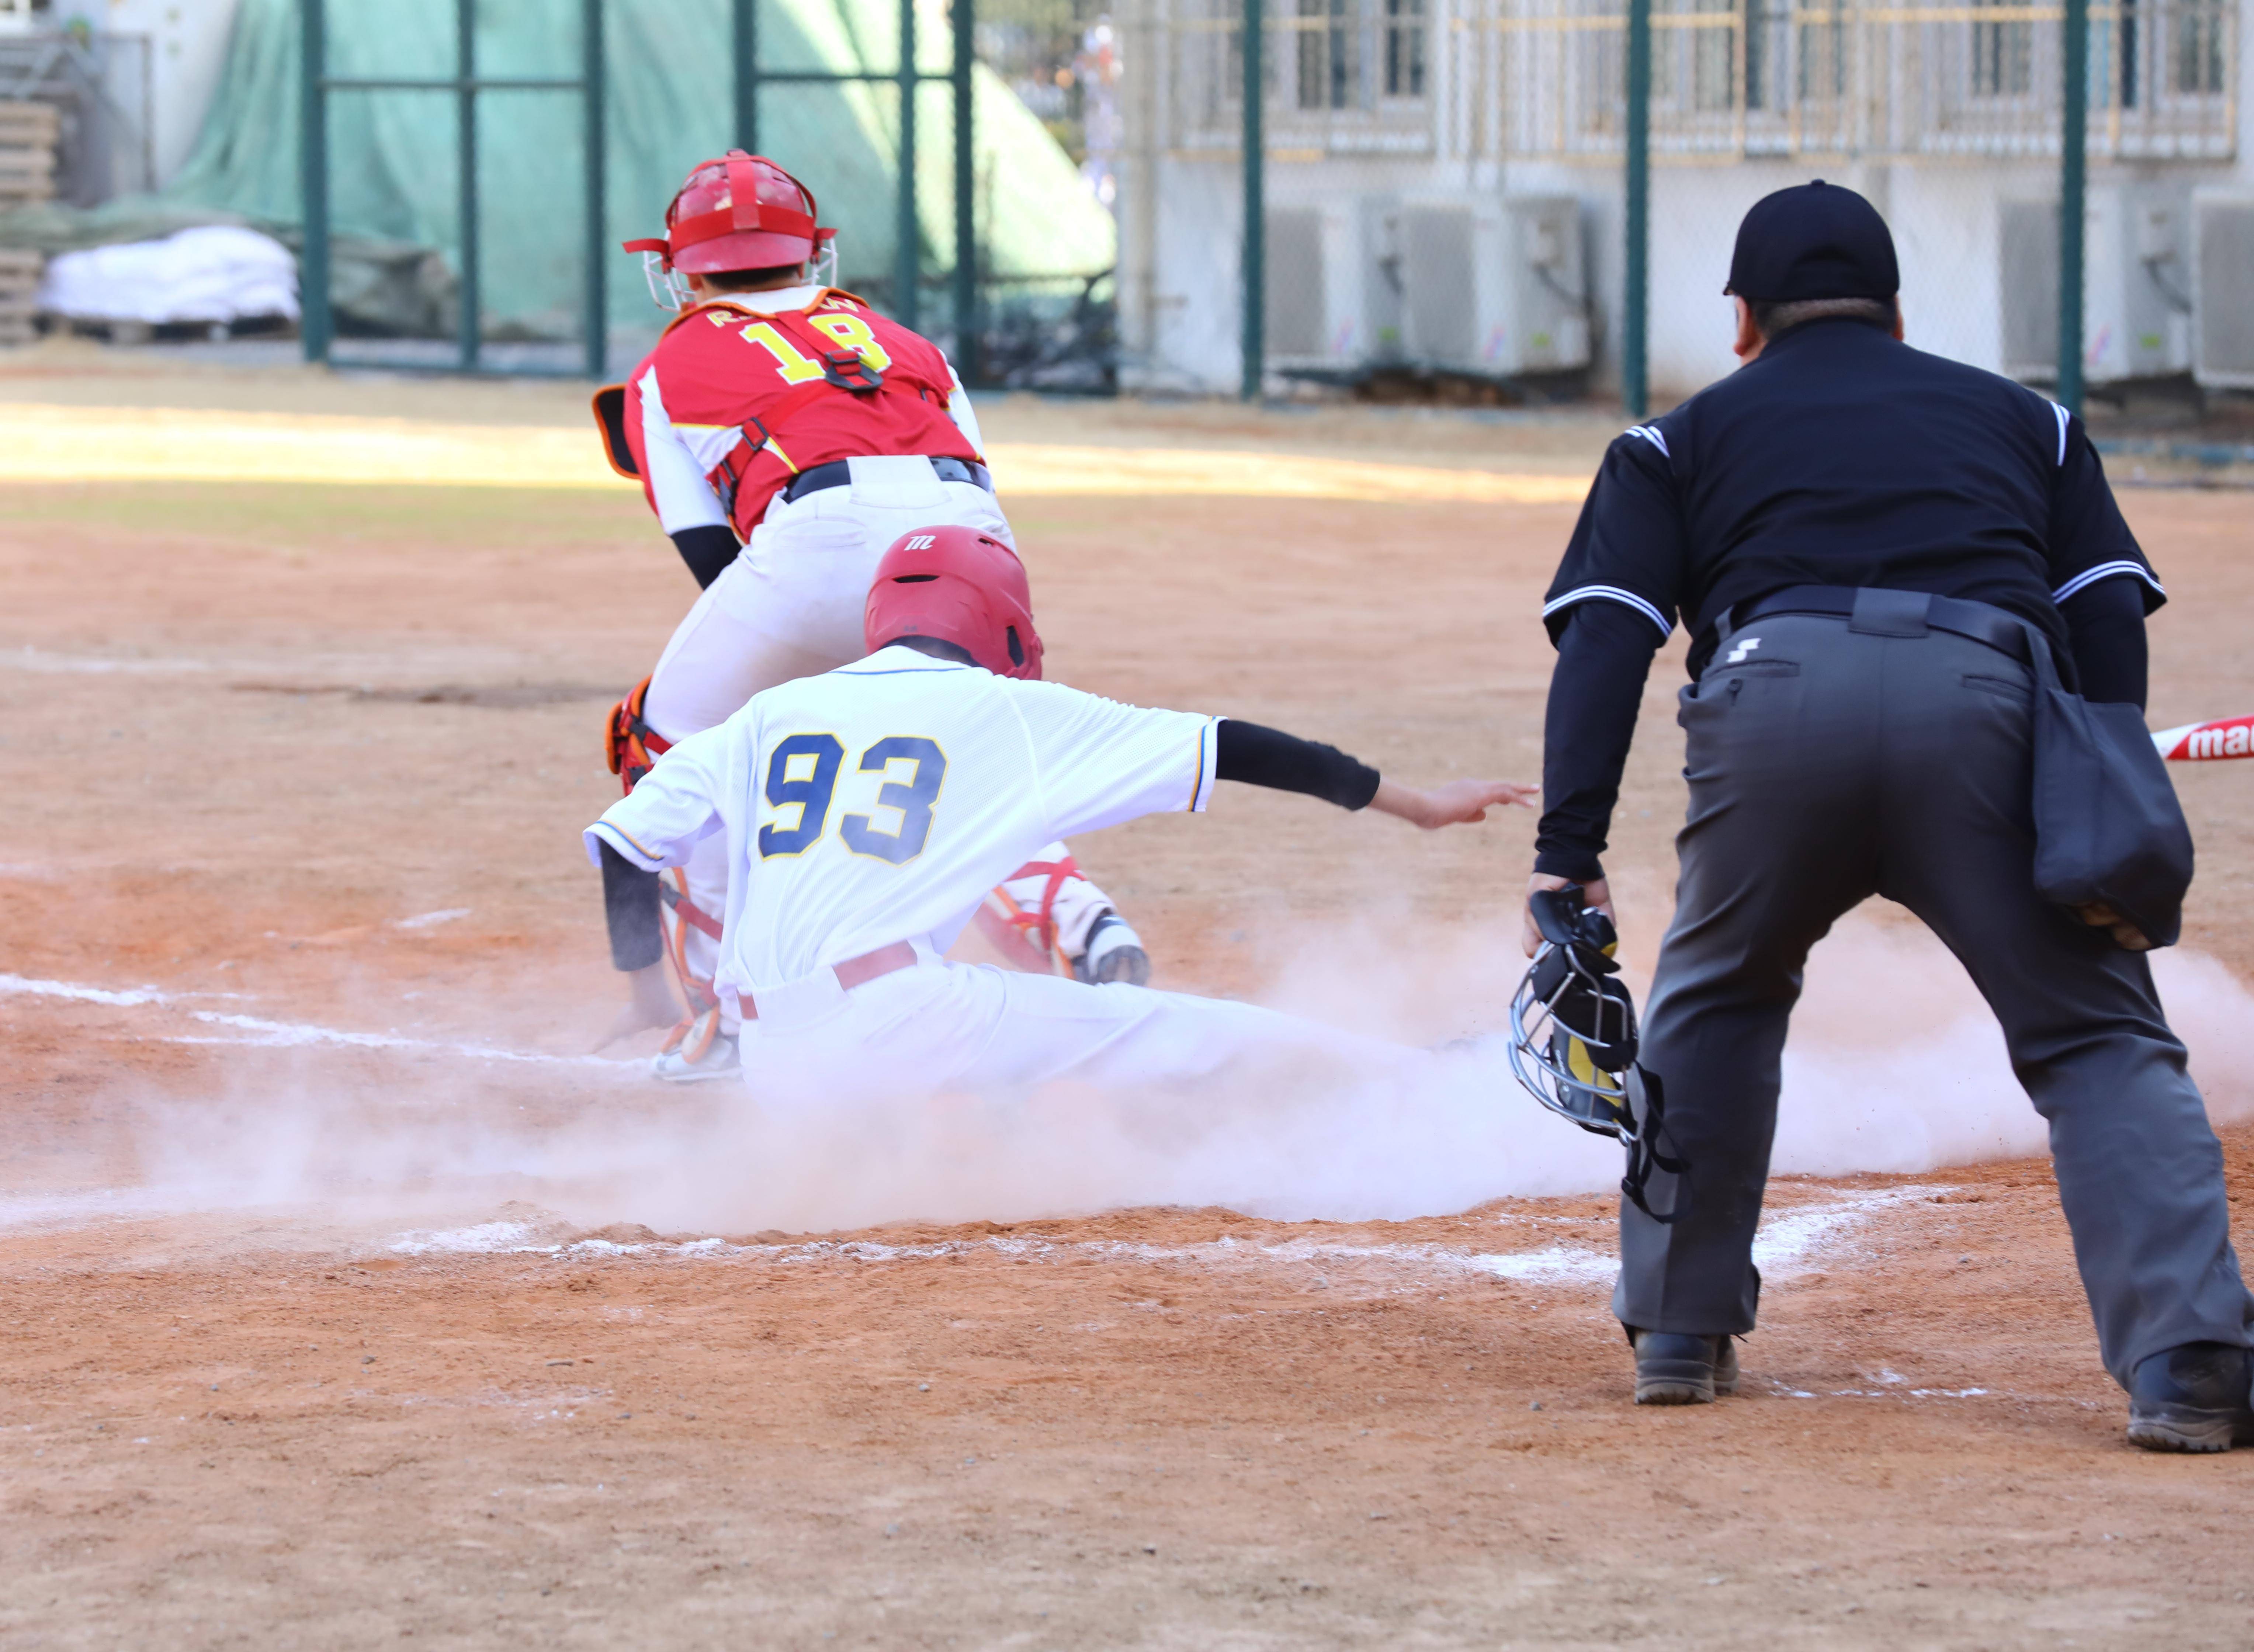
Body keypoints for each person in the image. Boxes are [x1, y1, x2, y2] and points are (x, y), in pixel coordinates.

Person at [1529, 179, 2254, 1449]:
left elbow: (1606, 643)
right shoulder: (2031, 421)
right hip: (1985, 709)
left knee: (1716, 1003)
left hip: (1770, 708)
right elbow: (2099, 615)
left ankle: (1682, 1333)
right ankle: (2189, 1362)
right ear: (1900, 313)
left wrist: (1566, 854)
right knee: (2094, 1037)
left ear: (1744, 320)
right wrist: (2098, 780)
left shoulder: (1673, 442)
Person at [584, 525, 1535, 1108]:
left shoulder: (772, 712)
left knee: (1027, 1065)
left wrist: (648, 996)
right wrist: (1416, 806)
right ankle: (1438, 1084)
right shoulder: (1017, 713)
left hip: (772, 1068)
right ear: (999, 619)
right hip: (897, 1025)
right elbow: (1237, 746)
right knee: (1196, 1033)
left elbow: (624, 844)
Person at [599, 150, 1150, 1082]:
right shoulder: (903, 340)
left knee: (674, 746)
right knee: (958, 748)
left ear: (680, 267)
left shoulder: (670, 363)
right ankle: (1081, 926)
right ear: (813, 254)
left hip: (811, 538)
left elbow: (709, 556)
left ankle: (724, 1025)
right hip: (968, 541)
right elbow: (974, 479)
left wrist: (814, 671)